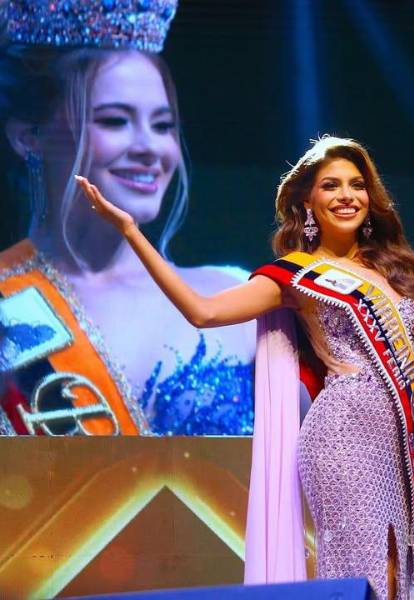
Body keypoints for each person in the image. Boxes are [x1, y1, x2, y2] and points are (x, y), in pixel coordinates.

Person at [76, 135, 414, 599]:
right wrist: (130, 231)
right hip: (343, 436)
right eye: (331, 186)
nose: (347, 196)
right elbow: (203, 311)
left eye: (357, 184)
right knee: (365, 571)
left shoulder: (393, 273)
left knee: (397, 574)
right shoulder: (296, 275)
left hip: (398, 444)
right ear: (307, 202)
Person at [0, 0, 255, 436]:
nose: (149, 148)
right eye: (116, 121)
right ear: (29, 136)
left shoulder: (238, 300)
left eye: (163, 126)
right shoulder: (9, 299)